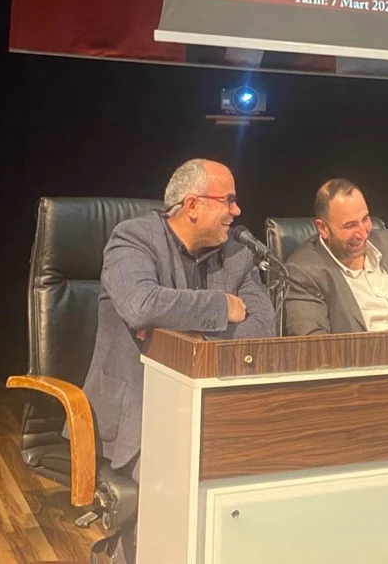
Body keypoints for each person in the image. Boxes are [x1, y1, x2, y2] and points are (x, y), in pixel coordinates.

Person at [82, 159, 273, 562]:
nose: (237, 211)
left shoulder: (237, 256)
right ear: (192, 205)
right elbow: (142, 305)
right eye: (228, 200)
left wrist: (182, 332)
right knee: (181, 488)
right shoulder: (132, 240)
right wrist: (221, 306)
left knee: (262, 477)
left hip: (213, 411)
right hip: (138, 414)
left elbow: (262, 328)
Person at [284, 178, 388, 334]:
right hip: (367, 349)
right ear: (323, 228)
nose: (363, 233)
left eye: (365, 219)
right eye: (350, 225)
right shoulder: (303, 273)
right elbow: (312, 341)